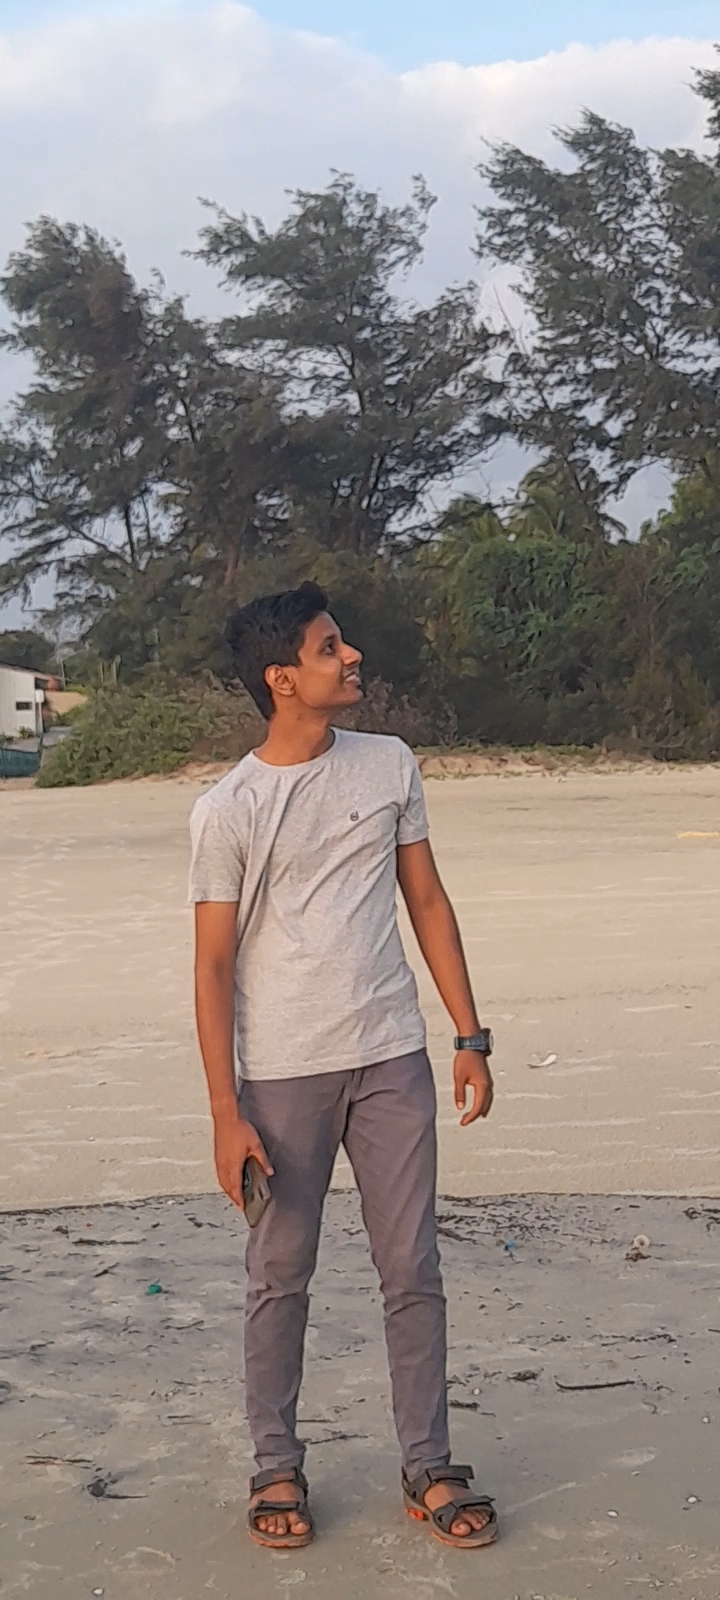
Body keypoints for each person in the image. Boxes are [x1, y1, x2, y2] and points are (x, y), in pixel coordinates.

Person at [189, 581, 498, 1553]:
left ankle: (428, 1465)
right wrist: (225, 1110)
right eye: (329, 648)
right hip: (284, 1072)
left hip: (392, 1056)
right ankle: (276, 1463)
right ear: (282, 679)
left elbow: (427, 901)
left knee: (413, 1266)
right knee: (280, 1272)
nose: (352, 654)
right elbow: (212, 964)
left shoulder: (389, 763)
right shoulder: (228, 808)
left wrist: (469, 1035)